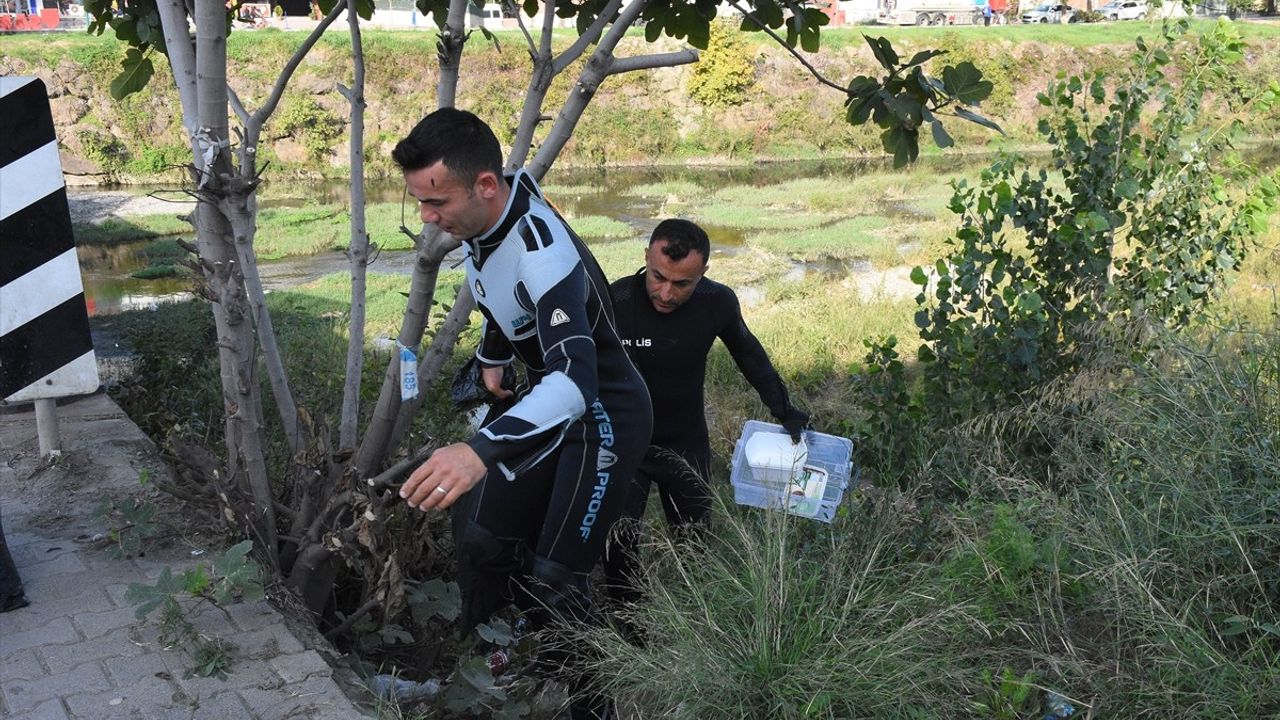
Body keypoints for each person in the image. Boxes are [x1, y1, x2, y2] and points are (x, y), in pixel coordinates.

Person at [393, 108, 651, 720]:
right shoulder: (491, 215)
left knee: (556, 578)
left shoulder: (542, 250)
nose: (427, 220)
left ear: (485, 184)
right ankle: (479, 684)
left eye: (436, 202)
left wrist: (478, 449)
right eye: (420, 203)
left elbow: (574, 381)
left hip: (601, 414)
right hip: (546, 402)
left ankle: (597, 708)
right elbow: (501, 303)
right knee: (480, 541)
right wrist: (491, 356)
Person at [603, 218, 808, 605]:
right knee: (618, 541)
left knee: (694, 541)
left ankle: (696, 616)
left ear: (703, 274)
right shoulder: (615, 301)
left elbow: (749, 353)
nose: (665, 293)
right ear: (646, 257)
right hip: (626, 442)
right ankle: (627, 621)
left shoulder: (717, 302)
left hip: (684, 440)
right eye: (657, 276)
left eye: (682, 284)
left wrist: (784, 409)